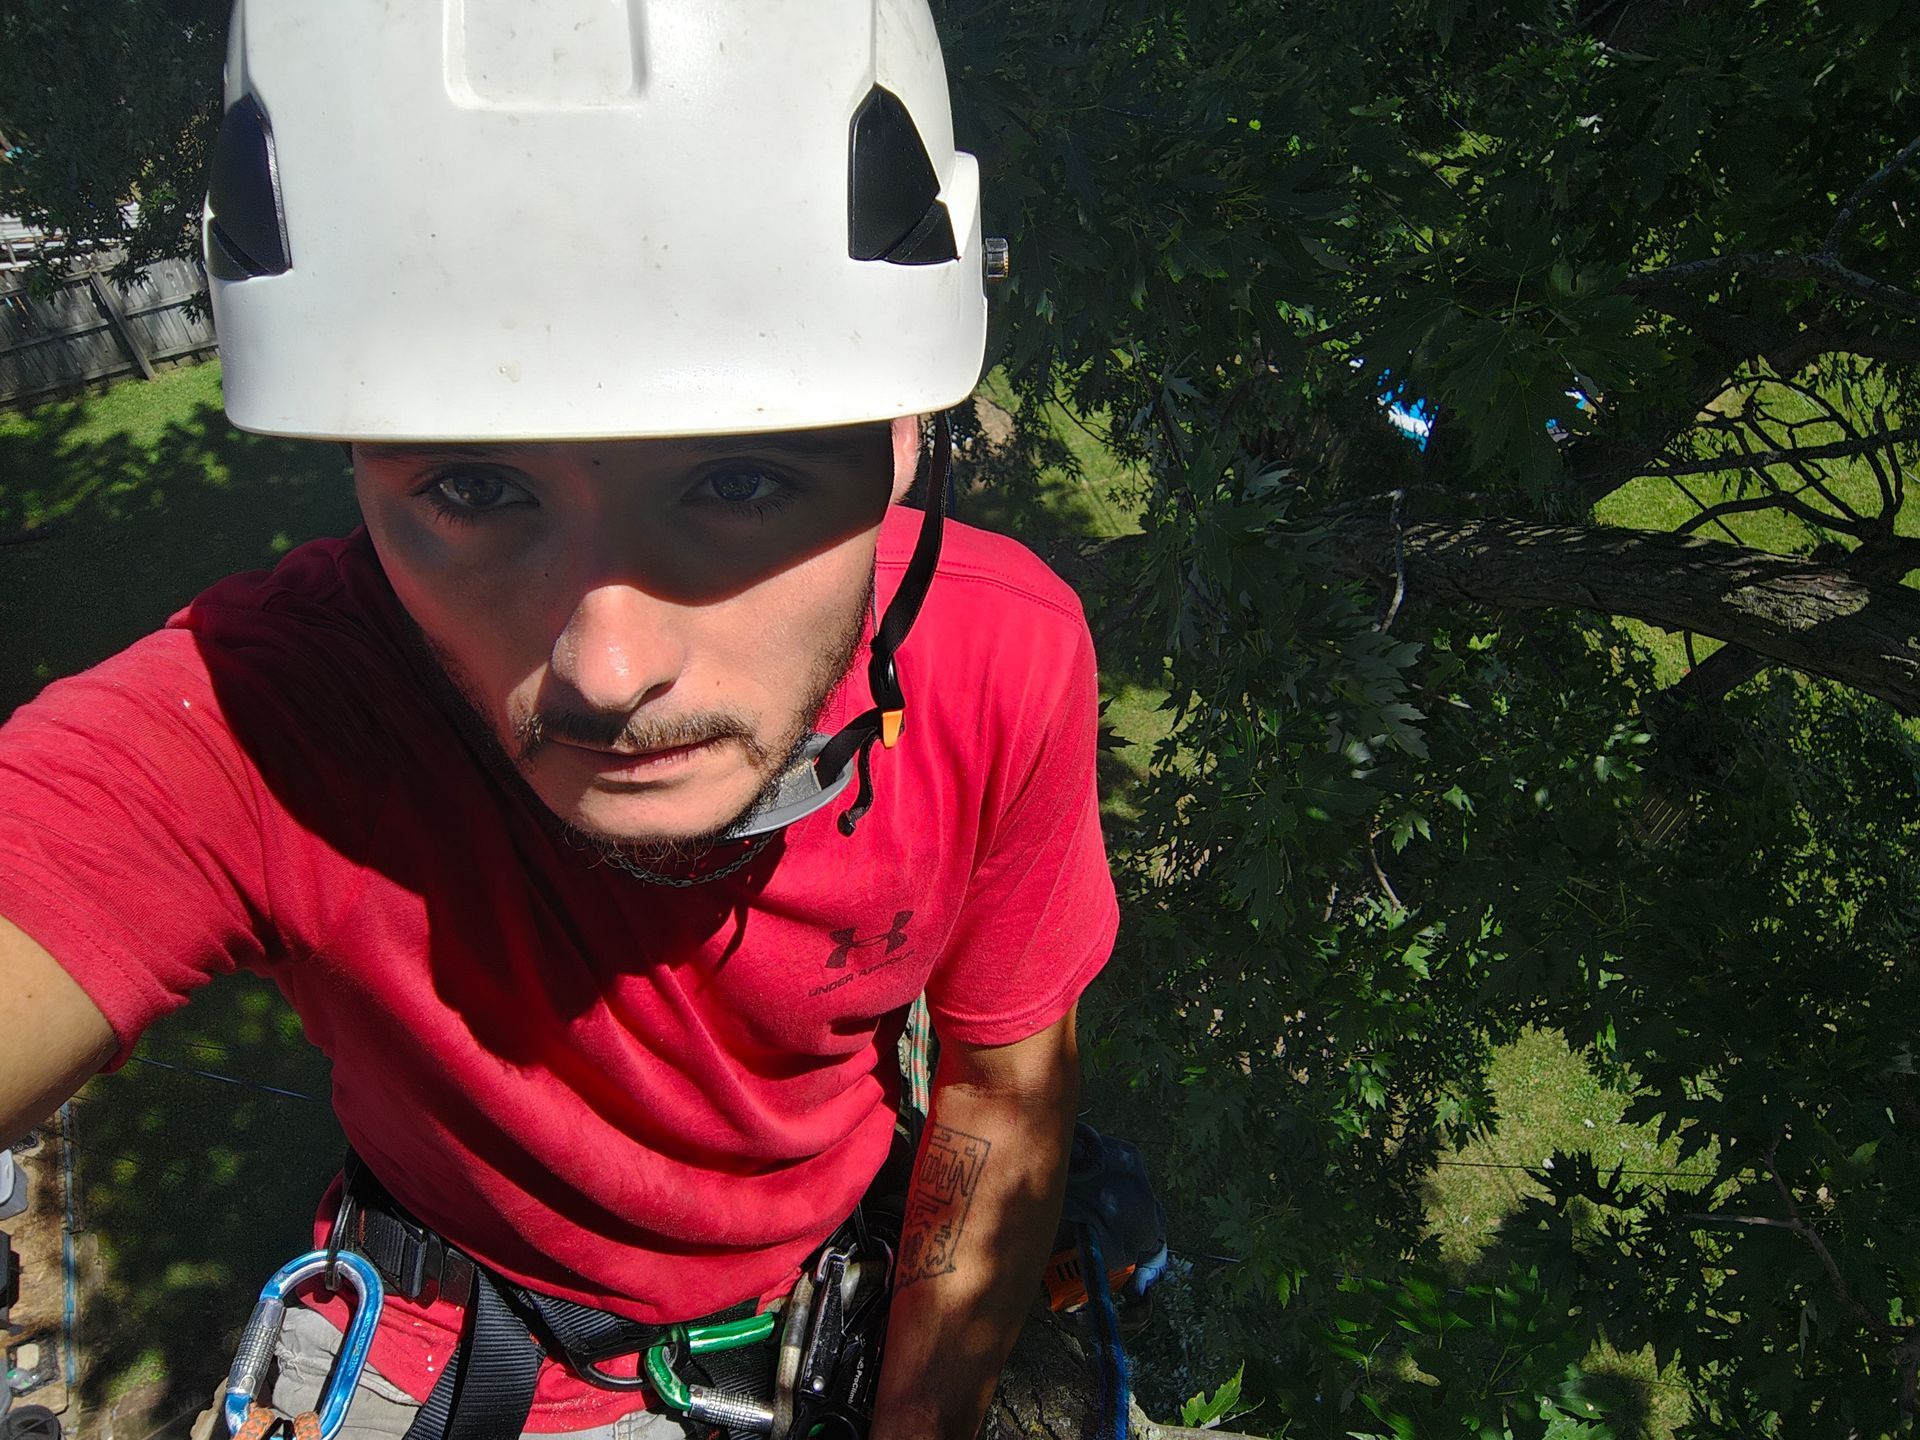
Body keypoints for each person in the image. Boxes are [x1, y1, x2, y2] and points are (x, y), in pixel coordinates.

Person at [0, 5, 1117, 1440]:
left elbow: (1005, 1078)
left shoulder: (1000, 662)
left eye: (737, 482)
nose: (606, 665)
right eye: (471, 489)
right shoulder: (278, 716)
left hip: (826, 1321)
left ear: (906, 432)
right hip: (464, 1348)